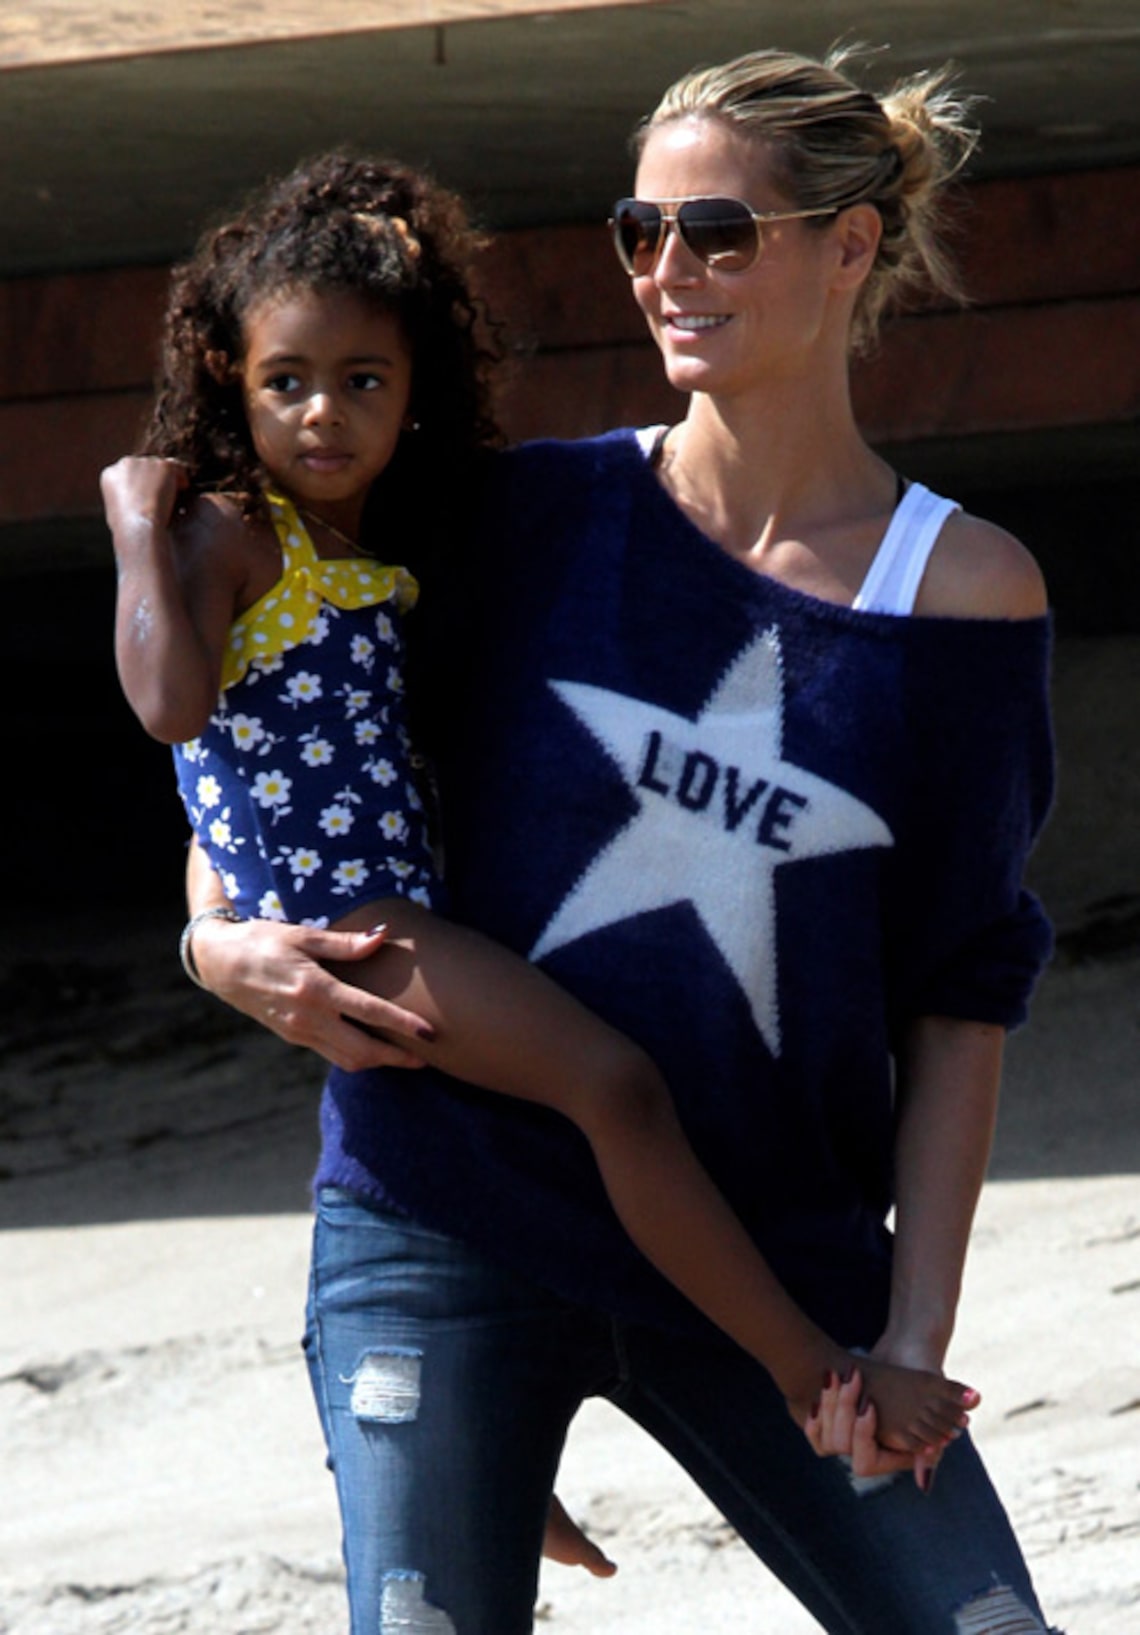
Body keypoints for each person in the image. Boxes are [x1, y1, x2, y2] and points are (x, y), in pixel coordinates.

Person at [137, 45, 1059, 1635]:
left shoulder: (963, 594)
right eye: (642, 231)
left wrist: (913, 1335)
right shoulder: (519, 516)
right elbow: (270, 728)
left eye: (720, 233)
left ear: (849, 245)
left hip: (768, 1269)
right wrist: (216, 937)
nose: (667, 271)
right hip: (445, 1223)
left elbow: (963, 988)